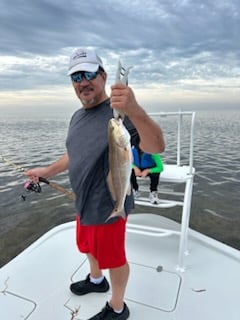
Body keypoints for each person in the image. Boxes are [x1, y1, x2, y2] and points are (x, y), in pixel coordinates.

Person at [25, 48, 165, 320]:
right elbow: (73, 154)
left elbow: (156, 146)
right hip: (83, 202)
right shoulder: (77, 117)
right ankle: (96, 280)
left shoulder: (119, 116)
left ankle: (117, 307)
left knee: (114, 258)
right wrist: (48, 171)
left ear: (103, 76)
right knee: (87, 247)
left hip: (109, 207)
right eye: (76, 77)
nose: (82, 82)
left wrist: (134, 109)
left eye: (89, 74)